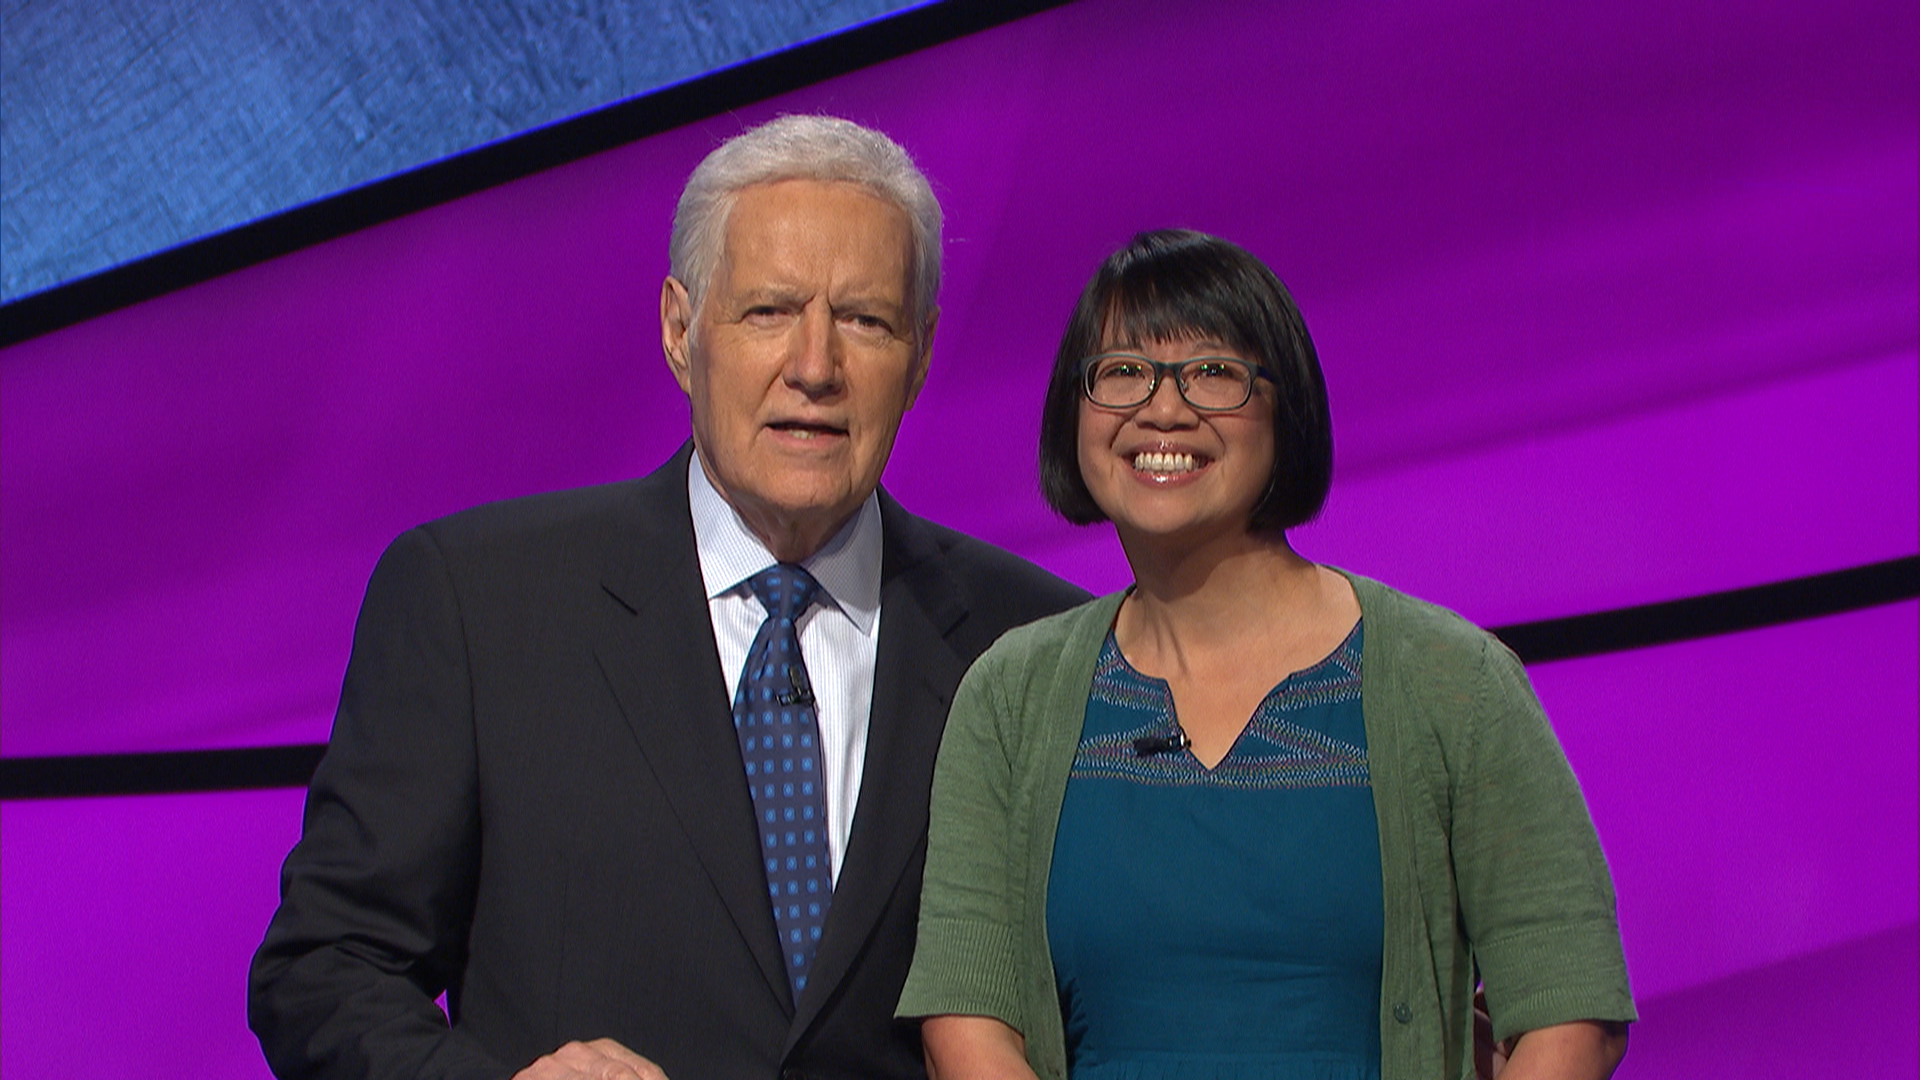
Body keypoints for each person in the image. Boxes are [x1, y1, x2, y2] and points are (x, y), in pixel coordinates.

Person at [249, 114, 1087, 1080]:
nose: (815, 367)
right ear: (679, 331)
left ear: (923, 354)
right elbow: (326, 967)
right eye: (769, 311)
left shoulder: (1030, 643)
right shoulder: (477, 603)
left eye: (865, 320)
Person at [897, 230, 1635, 1080]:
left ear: (1287, 413)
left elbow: (1570, 1013)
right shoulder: (1010, 696)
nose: (1163, 410)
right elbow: (966, 1022)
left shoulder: (1451, 681)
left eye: (1214, 373)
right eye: (1123, 372)